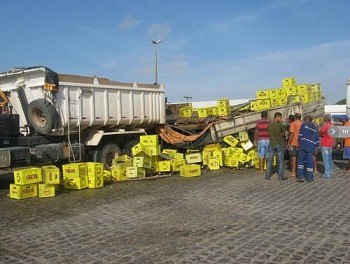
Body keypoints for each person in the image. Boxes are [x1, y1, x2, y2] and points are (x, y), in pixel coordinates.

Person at [297, 116, 320, 182]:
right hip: (311, 147)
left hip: (303, 146)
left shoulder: (303, 125)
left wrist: (300, 144)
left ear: (305, 120)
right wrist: (315, 147)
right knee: (310, 162)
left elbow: (300, 136)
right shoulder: (315, 128)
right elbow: (317, 140)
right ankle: (310, 178)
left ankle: (301, 177)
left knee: (300, 162)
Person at [266, 112, 286, 181]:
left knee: (269, 160)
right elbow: (283, 134)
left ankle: (267, 176)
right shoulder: (280, 125)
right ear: (277, 117)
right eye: (280, 117)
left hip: (272, 144)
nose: (281, 119)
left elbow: (268, 131)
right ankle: (280, 176)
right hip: (279, 144)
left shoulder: (269, 125)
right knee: (280, 161)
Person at [287, 113, 302, 178]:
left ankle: (293, 172)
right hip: (300, 143)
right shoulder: (302, 123)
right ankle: (300, 171)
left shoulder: (293, 124)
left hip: (293, 143)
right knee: (300, 158)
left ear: (295, 117)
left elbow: (291, 134)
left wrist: (288, 143)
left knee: (293, 157)